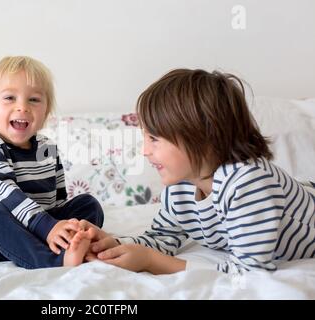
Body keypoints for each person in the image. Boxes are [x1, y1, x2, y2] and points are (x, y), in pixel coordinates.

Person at [80, 69, 315, 274]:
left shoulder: (248, 183)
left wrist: (152, 262)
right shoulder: (181, 187)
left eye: (154, 138)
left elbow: (247, 272)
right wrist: (114, 244)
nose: (144, 151)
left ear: (203, 138)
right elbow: (161, 238)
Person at [0, 56, 103, 269]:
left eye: (34, 100)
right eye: (10, 98)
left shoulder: (47, 149)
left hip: (34, 228)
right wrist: (47, 228)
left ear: (46, 112)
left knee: (87, 205)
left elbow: (56, 201)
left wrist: (65, 228)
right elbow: (6, 195)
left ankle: (68, 247)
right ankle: (53, 261)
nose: (23, 107)